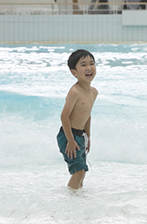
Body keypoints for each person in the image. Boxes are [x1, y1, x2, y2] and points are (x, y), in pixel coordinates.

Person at [57, 49, 98, 189]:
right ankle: (69, 200)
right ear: (74, 72)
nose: (89, 68)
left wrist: (88, 136)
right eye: (83, 65)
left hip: (80, 136)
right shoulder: (75, 91)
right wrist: (70, 140)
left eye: (92, 63)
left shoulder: (93, 92)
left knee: (82, 172)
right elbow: (64, 116)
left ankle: (77, 200)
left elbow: (87, 115)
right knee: (78, 172)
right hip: (68, 135)